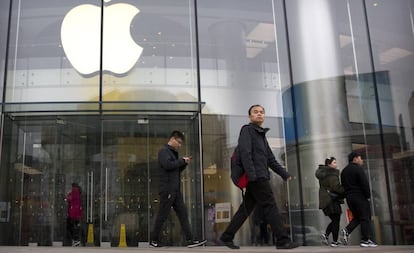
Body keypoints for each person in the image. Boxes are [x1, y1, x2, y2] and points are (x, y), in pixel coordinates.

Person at [219, 105, 299, 250]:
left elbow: (271, 160)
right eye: (255, 112)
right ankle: (282, 240)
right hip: (256, 177)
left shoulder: (261, 136)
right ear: (250, 116)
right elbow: (245, 153)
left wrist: (284, 174)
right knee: (270, 205)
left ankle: (227, 236)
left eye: (262, 112)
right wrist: (252, 175)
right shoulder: (247, 130)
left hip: (258, 176)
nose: (259, 114)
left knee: (246, 208)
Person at [150, 130, 207, 248]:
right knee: (163, 214)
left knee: (183, 214)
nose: (180, 145)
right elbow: (168, 165)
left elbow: (174, 170)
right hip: (168, 189)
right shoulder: (164, 151)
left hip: (175, 190)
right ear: (172, 139)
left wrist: (184, 163)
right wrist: (181, 161)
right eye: (179, 142)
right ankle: (154, 239)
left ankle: (190, 240)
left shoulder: (172, 153)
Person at [340, 152, 378, 247]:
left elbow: (343, 186)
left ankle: (347, 230)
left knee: (358, 217)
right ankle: (365, 240)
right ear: (355, 159)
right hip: (360, 197)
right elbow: (364, 183)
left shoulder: (344, 171)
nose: (362, 160)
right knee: (365, 217)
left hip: (349, 198)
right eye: (360, 158)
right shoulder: (358, 169)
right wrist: (368, 196)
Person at [315, 157, 344, 247]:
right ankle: (334, 241)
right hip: (332, 200)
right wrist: (345, 191)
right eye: (334, 162)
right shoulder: (332, 175)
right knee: (336, 220)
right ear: (329, 165)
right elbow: (336, 187)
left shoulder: (323, 175)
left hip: (325, 201)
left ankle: (326, 235)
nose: (336, 164)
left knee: (334, 220)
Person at [66, 183, 83, 247]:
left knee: (71, 227)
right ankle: (76, 240)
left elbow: (68, 198)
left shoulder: (74, 192)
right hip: (77, 214)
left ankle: (75, 240)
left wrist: (68, 194)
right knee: (76, 227)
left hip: (72, 214)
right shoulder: (79, 193)